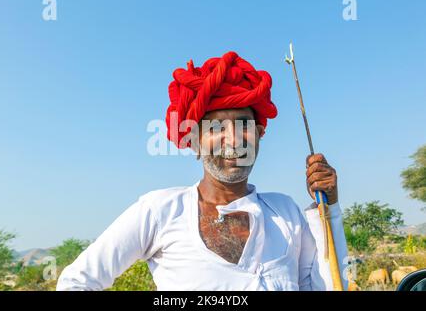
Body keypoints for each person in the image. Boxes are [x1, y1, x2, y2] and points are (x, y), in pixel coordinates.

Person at [56, 51, 348, 291]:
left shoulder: (286, 214)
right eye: (217, 128)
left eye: (243, 126)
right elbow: (76, 282)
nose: (233, 140)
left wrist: (330, 206)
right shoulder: (160, 211)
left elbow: (328, 286)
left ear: (259, 135)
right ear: (195, 141)